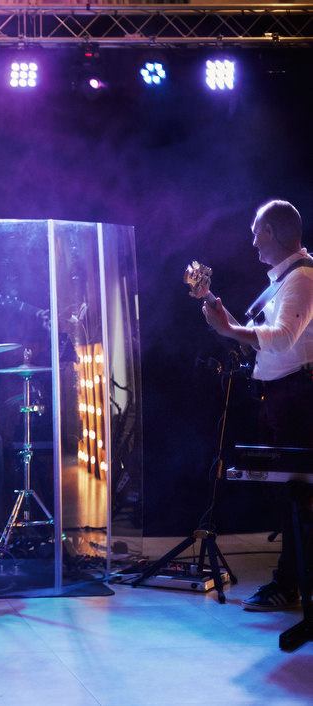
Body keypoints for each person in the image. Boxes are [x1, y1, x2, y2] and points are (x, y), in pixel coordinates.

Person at [202, 199, 313, 611]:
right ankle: (292, 582)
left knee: (295, 497)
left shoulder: (301, 279)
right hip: (284, 396)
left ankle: (289, 584)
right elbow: (266, 337)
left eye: (256, 233)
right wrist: (228, 322)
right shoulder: (287, 279)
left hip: (296, 398)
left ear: (271, 232)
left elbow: (282, 338)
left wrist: (230, 330)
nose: (252, 242)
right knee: (286, 495)